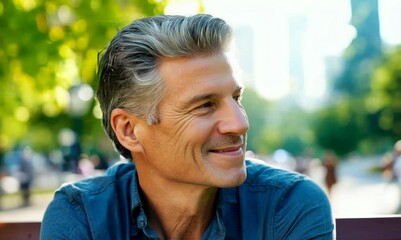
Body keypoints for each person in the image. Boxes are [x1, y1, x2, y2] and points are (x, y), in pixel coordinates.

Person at [41, 14, 333, 239]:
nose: (240, 123)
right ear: (129, 129)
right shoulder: (81, 216)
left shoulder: (288, 205)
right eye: (204, 105)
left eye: (236, 98)